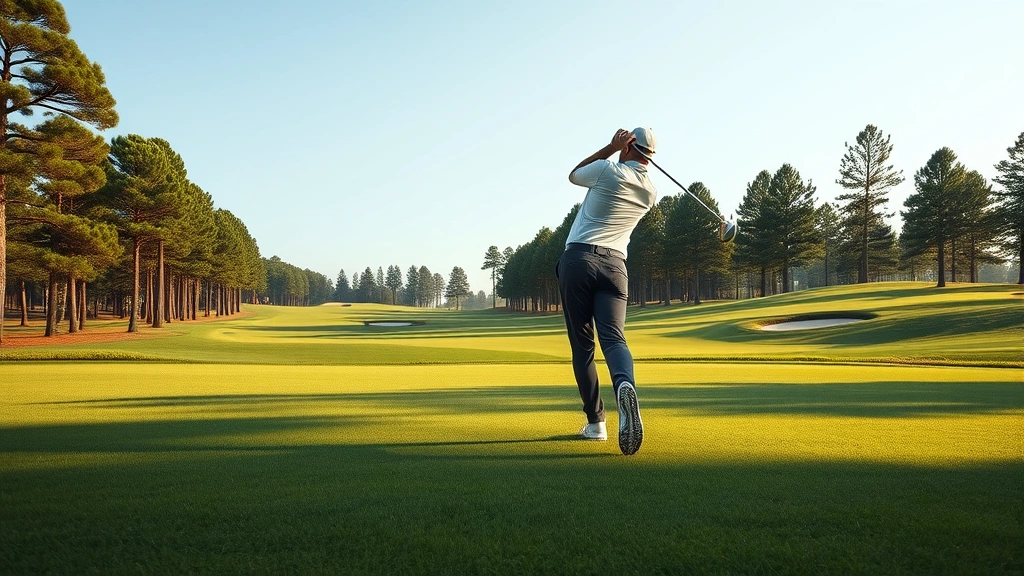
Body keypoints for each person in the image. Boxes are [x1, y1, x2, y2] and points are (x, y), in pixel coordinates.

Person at [557, 127, 658, 456]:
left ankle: (596, 423)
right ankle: (624, 382)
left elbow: (574, 174)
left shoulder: (607, 169)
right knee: (614, 339)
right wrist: (624, 150)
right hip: (616, 268)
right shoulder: (650, 192)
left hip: (579, 260)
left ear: (628, 146)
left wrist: (610, 147)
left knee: (583, 346)